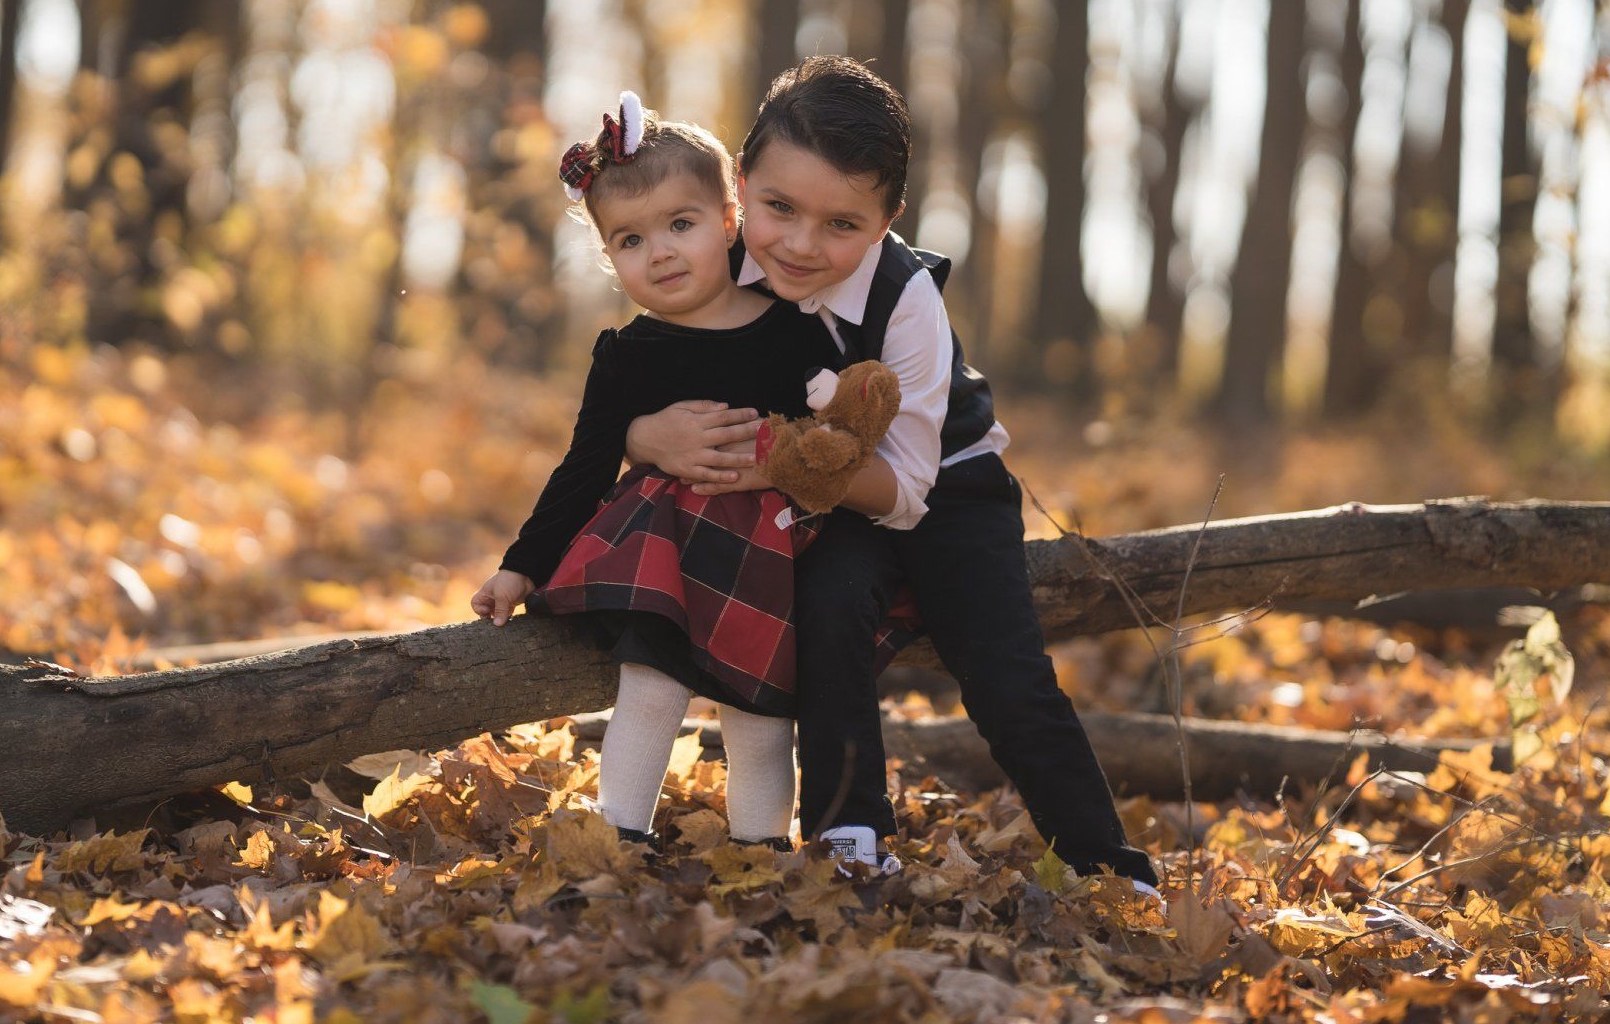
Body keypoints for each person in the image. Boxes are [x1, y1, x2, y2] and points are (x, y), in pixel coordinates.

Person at [626, 57, 1162, 896]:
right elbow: (643, 376)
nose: (802, 244)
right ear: (740, 183)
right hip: (820, 495)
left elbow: (905, 491)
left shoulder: (907, 301)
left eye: (842, 223)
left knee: (1005, 673)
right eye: (778, 208)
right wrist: (646, 433)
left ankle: (1106, 865)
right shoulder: (713, 262)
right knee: (829, 606)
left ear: (888, 219)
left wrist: (776, 459)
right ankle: (850, 834)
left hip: (945, 486)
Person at [470, 91, 903, 851]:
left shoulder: (791, 333)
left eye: (681, 224)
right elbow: (584, 466)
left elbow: (833, 437)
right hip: (664, 554)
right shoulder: (626, 355)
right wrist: (520, 567)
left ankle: (760, 852)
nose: (661, 251)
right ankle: (619, 840)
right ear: (609, 257)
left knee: (761, 718)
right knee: (649, 691)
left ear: (729, 220)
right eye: (631, 240)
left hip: (767, 555)